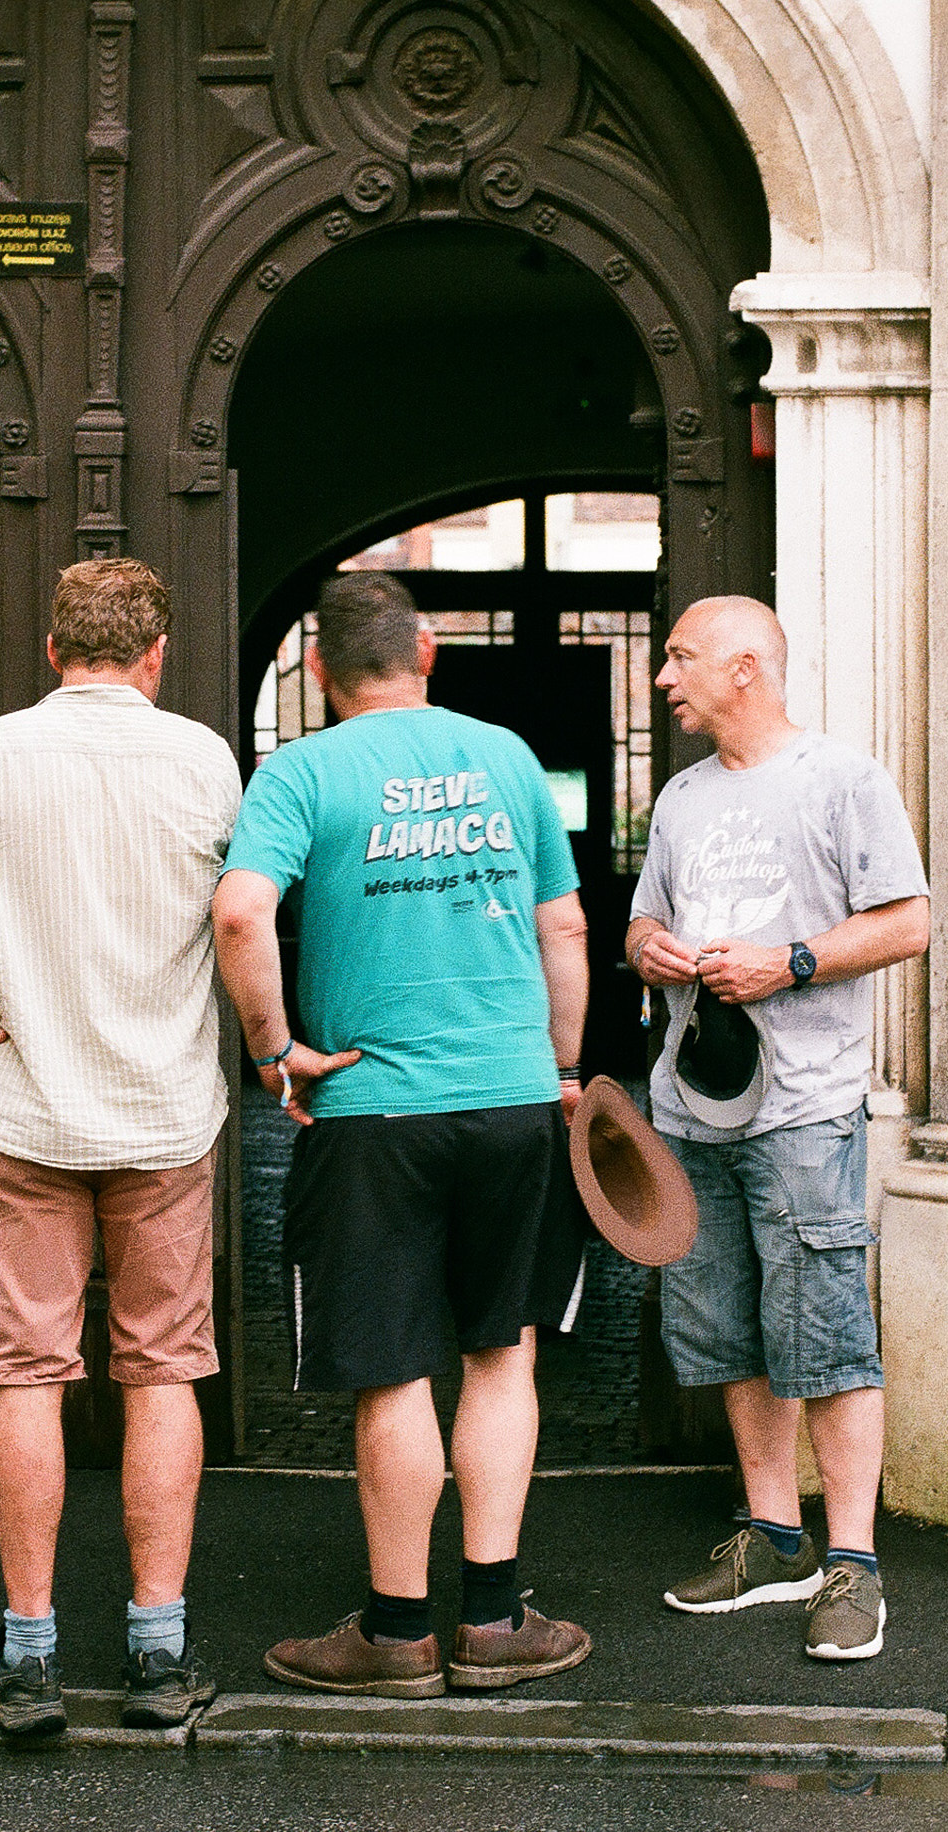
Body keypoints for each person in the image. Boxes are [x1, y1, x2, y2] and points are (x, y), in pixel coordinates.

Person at [0, 557, 241, 1735]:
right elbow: (242, 906)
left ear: (54, 648)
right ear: (155, 652)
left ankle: (27, 1657)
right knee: (162, 1366)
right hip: (164, 1114)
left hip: (20, 1111)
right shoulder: (202, 758)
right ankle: (157, 1655)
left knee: (26, 1368)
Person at [212, 570, 593, 1697]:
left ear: (318, 668)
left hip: (372, 1108)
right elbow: (563, 923)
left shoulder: (299, 770)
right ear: (427, 650)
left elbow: (240, 910)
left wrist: (274, 1053)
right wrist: (561, 1066)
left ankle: (393, 1633)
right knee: (498, 1350)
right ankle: (493, 1618)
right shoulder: (507, 756)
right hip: (510, 1093)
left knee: (390, 1373)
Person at [626, 594, 929, 1662]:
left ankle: (853, 1563)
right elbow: (642, 919)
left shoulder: (840, 779)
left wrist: (787, 961)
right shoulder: (678, 796)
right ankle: (771, 1534)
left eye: (679, 657)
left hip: (802, 1104)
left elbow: (908, 919)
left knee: (826, 1329)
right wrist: (650, 946)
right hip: (688, 1105)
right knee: (725, 1326)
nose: (665, 676)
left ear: (746, 667)